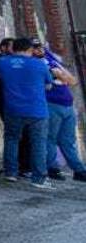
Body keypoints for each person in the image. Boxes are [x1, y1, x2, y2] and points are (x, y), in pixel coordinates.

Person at [0, 38, 54, 189]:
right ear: (29, 49)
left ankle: (10, 173)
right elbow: (49, 85)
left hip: (12, 109)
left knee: (11, 140)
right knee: (38, 143)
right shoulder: (39, 64)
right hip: (37, 111)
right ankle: (39, 179)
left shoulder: (2, 63)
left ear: (14, 48)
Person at [34, 42, 86, 182]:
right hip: (51, 104)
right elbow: (65, 79)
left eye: (40, 47)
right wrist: (63, 77)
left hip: (67, 105)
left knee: (68, 140)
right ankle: (52, 168)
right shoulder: (36, 64)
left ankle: (79, 170)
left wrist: (63, 77)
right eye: (35, 48)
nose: (39, 50)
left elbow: (72, 80)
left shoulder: (51, 59)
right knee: (50, 138)